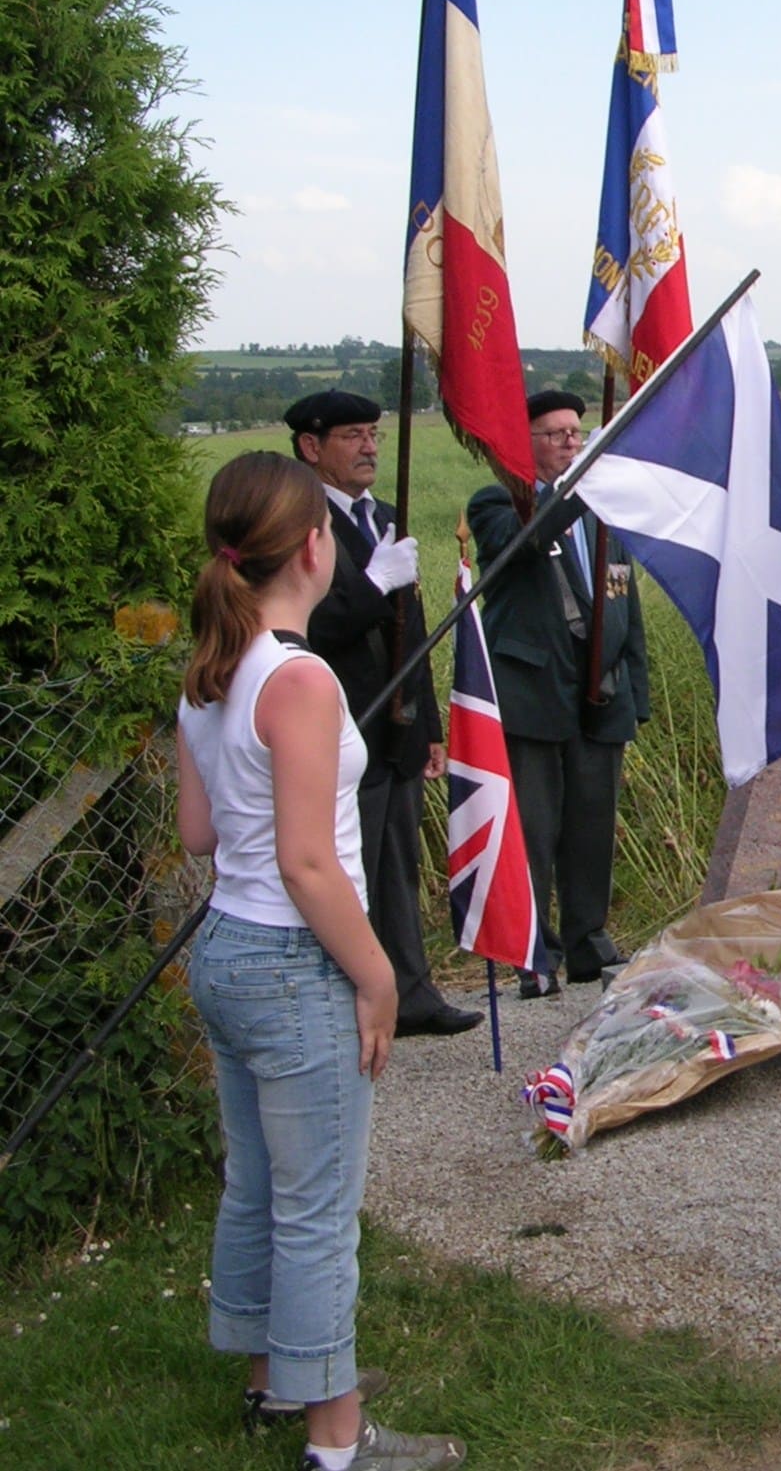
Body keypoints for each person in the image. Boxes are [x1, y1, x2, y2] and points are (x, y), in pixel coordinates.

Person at [177, 452, 466, 1469]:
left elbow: (200, 829)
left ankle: (277, 1369)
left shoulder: (212, 666)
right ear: (312, 545)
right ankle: (336, 1437)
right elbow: (305, 859)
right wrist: (379, 972)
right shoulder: (295, 677)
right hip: (295, 959)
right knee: (317, 1206)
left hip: (225, 945)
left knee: (258, 1179)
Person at [284, 390, 481, 1038]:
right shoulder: (296, 524)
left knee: (395, 863)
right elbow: (309, 624)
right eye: (352, 435)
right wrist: (373, 583)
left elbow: (412, 630)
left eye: (373, 433)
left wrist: (426, 723)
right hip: (338, 723)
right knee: (350, 869)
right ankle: (345, 1003)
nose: (370, 446)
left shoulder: (385, 516)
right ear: (312, 447)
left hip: (393, 724)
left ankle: (411, 991)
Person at [466, 390, 650, 1000]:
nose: (572, 442)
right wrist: (576, 491)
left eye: (577, 432)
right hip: (533, 691)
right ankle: (534, 950)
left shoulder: (602, 511)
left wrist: (637, 691)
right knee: (536, 828)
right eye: (556, 435)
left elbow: (626, 601)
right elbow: (519, 544)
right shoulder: (500, 502)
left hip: (600, 690)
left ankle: (587, 940)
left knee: (592, 823)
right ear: (528, 445)